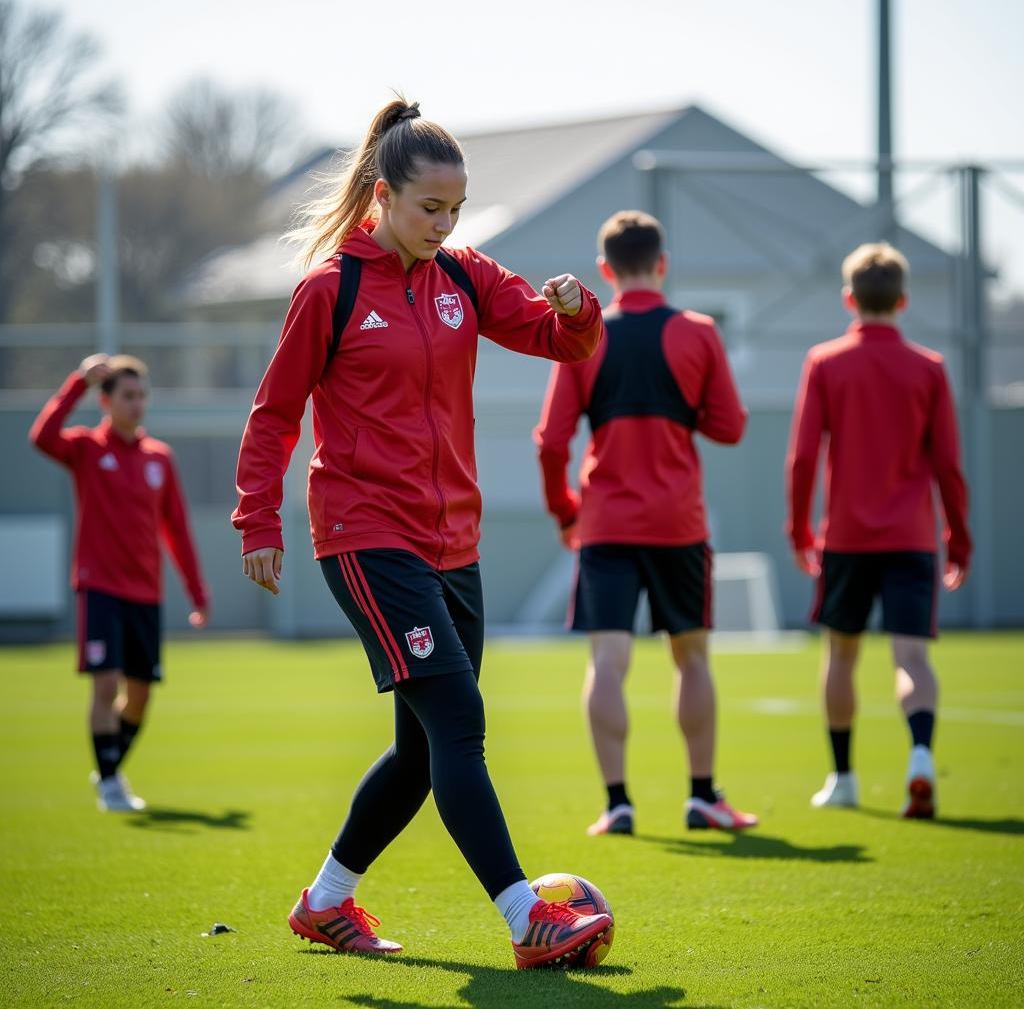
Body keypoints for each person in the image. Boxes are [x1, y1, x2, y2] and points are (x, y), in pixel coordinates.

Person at [232, 97, 612, 969]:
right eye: (428, 208)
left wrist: (576, 306)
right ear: (382, 198)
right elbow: (274, 415)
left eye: (455, 210)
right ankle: (526, 919)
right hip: (367, 538)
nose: (444, 225)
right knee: (460, 720)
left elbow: (564, 344)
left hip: (455, 545)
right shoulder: (332, 289)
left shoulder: (466, 278)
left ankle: (324, 904)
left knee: (421, 748)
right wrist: (259, 517)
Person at [533, 210, 758, 837]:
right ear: (662, 264)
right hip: (678, 523)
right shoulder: (699, 332)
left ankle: (618, 803)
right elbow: (731, 426)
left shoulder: (583, 336)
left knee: (607, 661)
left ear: (606, 270)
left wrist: (564, 513)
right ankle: (703, 796)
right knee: (692, 659)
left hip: (604, 522)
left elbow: (551, 442)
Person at [786, 242, 971, 819]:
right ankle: (919, 755)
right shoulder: (931, 368)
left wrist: (799, 531)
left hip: (847, 539)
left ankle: (843, 778)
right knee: (911, 658)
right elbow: (948, 464)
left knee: (841, 656)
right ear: (903, 300)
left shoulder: (826, 361)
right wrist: (958, 539)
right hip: (914, 538)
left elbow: (803, 457)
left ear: (850, 299)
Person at [29, 354, 209, 812]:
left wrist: (197, 592)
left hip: (145, 592)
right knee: (105, 686)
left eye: (142, 395)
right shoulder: (87, 449)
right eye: (127, 396)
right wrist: (76, 383)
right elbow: (42, 438)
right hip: (100, 586)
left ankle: (107, 767)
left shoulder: (159, 458)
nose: (137, 404)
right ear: (106, 401)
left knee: (140, 695)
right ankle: (111, 784)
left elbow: (177, 529)